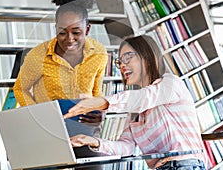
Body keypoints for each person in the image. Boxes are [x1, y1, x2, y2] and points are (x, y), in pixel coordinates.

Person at [64, 35, 207, 169]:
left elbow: (142, 98)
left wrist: (102, 102)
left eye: (128, 57)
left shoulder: (170, 84)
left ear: (147, 56)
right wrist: (94, 142)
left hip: (186, 164)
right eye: (119, 61)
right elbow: (126, 147)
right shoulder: (136, 111)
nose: (121, 66)